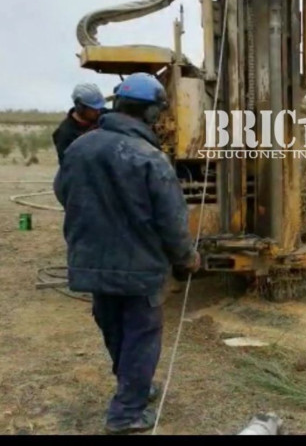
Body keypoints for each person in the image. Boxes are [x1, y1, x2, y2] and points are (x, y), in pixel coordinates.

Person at [53, 72, 201, 434]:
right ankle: (126, 413)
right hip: (139, 266)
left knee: (114, 328)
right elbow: (172, 221)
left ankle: (134, 386)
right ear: (151, 114)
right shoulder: (149, 158)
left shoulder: (79, 148)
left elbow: (63, 193)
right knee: (140, 335)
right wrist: (187, 259)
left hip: (92, 260)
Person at [52, 83, 107, 166]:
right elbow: (69, 165)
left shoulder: (104, 116)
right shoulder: (65, 134)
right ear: (80, 107)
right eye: (93, 109)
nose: (98, 111)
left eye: (99, 108)